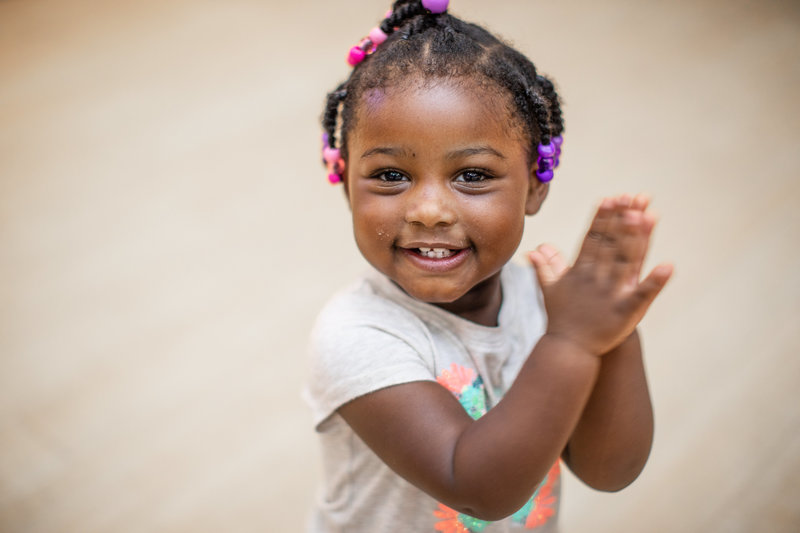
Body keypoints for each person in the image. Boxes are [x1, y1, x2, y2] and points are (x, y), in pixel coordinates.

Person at [304, 1, 673, 531]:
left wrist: (611, 337)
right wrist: (571, 344)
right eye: (389, 175)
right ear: (345, 183)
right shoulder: (356, 335)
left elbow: (610, 469)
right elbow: (476, 487)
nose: (428, 210)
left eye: (473, 175)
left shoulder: (546, 307)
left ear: (536, 184)